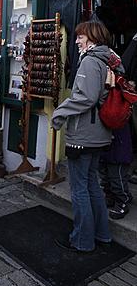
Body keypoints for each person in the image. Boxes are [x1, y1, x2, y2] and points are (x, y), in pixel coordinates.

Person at [52, 21, 114, 253]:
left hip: (84, 136)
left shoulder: (89, 61)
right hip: (100, 134)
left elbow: (85, 98)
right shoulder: (106, 59)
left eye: (80, 37)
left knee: (79, 189)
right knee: (92, 185)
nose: (76, 41)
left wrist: (59, 112)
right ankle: (102, 234)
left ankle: (82, 241)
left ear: (92, 37)